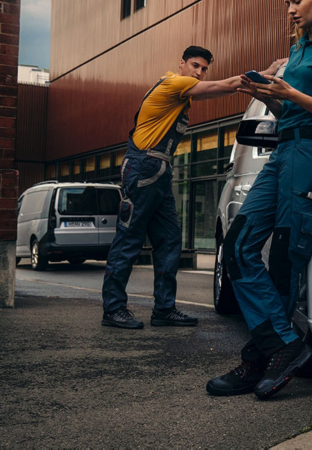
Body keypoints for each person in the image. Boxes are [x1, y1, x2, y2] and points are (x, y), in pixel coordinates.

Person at [206, 0, 312, 400]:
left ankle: (260, 359)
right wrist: (270, 96)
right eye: (286, 3)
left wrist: (291, 91)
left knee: (284, 261)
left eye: (297, 1)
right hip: (283, 149)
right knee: (237, 247)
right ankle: (283, 343)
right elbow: (287, 110)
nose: (290, 9)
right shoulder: (295, 51)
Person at [101, 46, 253, 329]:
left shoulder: (181, 93)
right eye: (195, 65)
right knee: (129, 240)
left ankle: (164, 309)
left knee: (170, 241)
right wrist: (260, 78)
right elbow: (221, 87)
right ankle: (112, 310)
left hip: (158, 170)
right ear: (181, 64)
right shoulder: (174, 83)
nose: (199, 72)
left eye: (204, 69)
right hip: (143, 166)